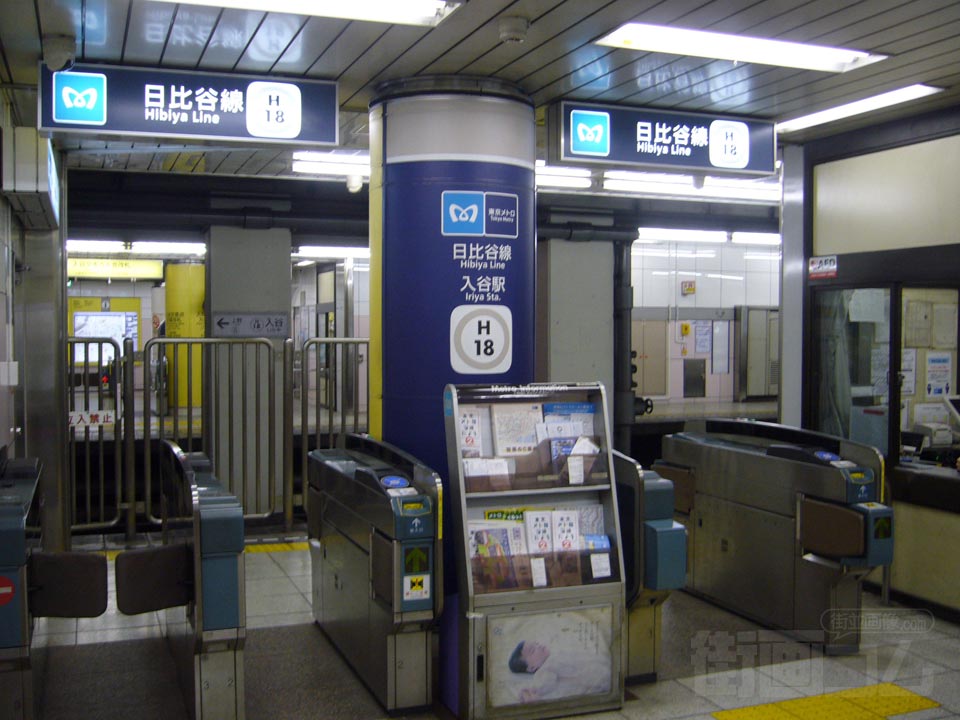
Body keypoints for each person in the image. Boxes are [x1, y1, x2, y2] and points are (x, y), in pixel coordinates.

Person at [507, 639, 610, 703]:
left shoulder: (556, 654)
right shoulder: (544, 670)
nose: (539, 646)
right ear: (531, 668)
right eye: (533, 650)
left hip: (597, 663)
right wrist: (530, 691)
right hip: (595, 678)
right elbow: (542, 685)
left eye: (537, 643)